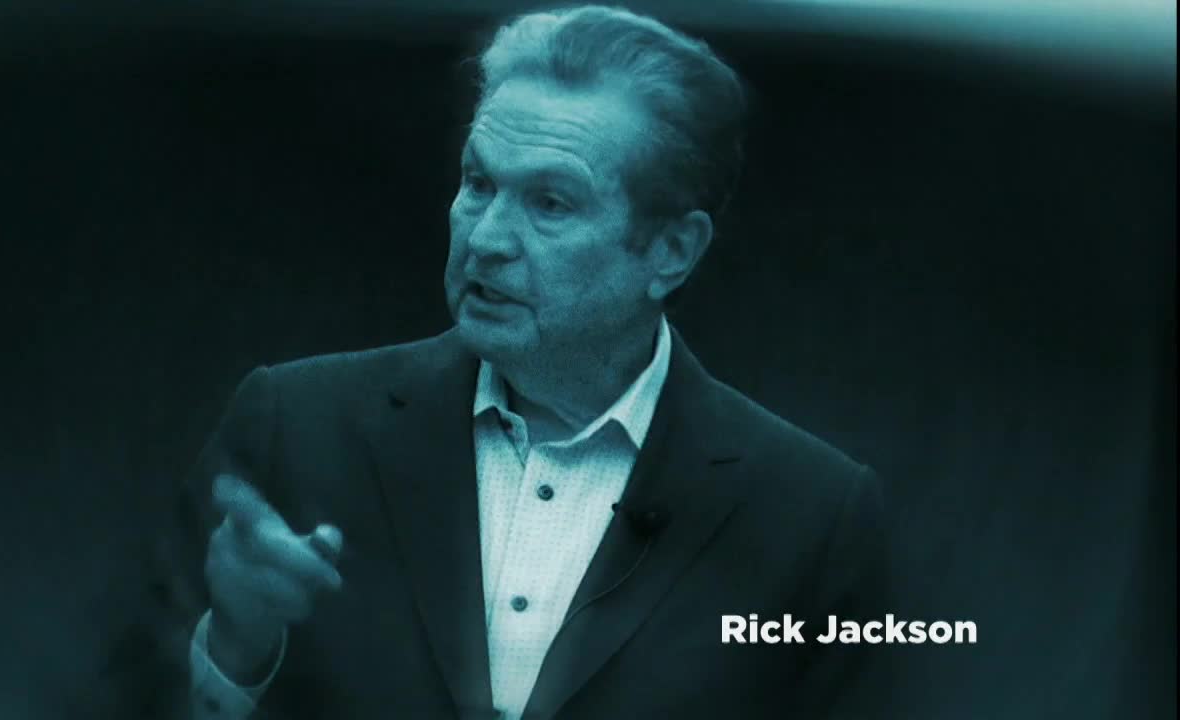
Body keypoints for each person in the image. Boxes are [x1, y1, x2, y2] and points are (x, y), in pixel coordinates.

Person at [98, 5, 887, 719]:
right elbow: (116, 700)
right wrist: (236, 648)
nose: (485, 238)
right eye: (478, 183)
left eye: (551, 203)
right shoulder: (294, 426)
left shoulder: (811, 515)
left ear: (671, 252)